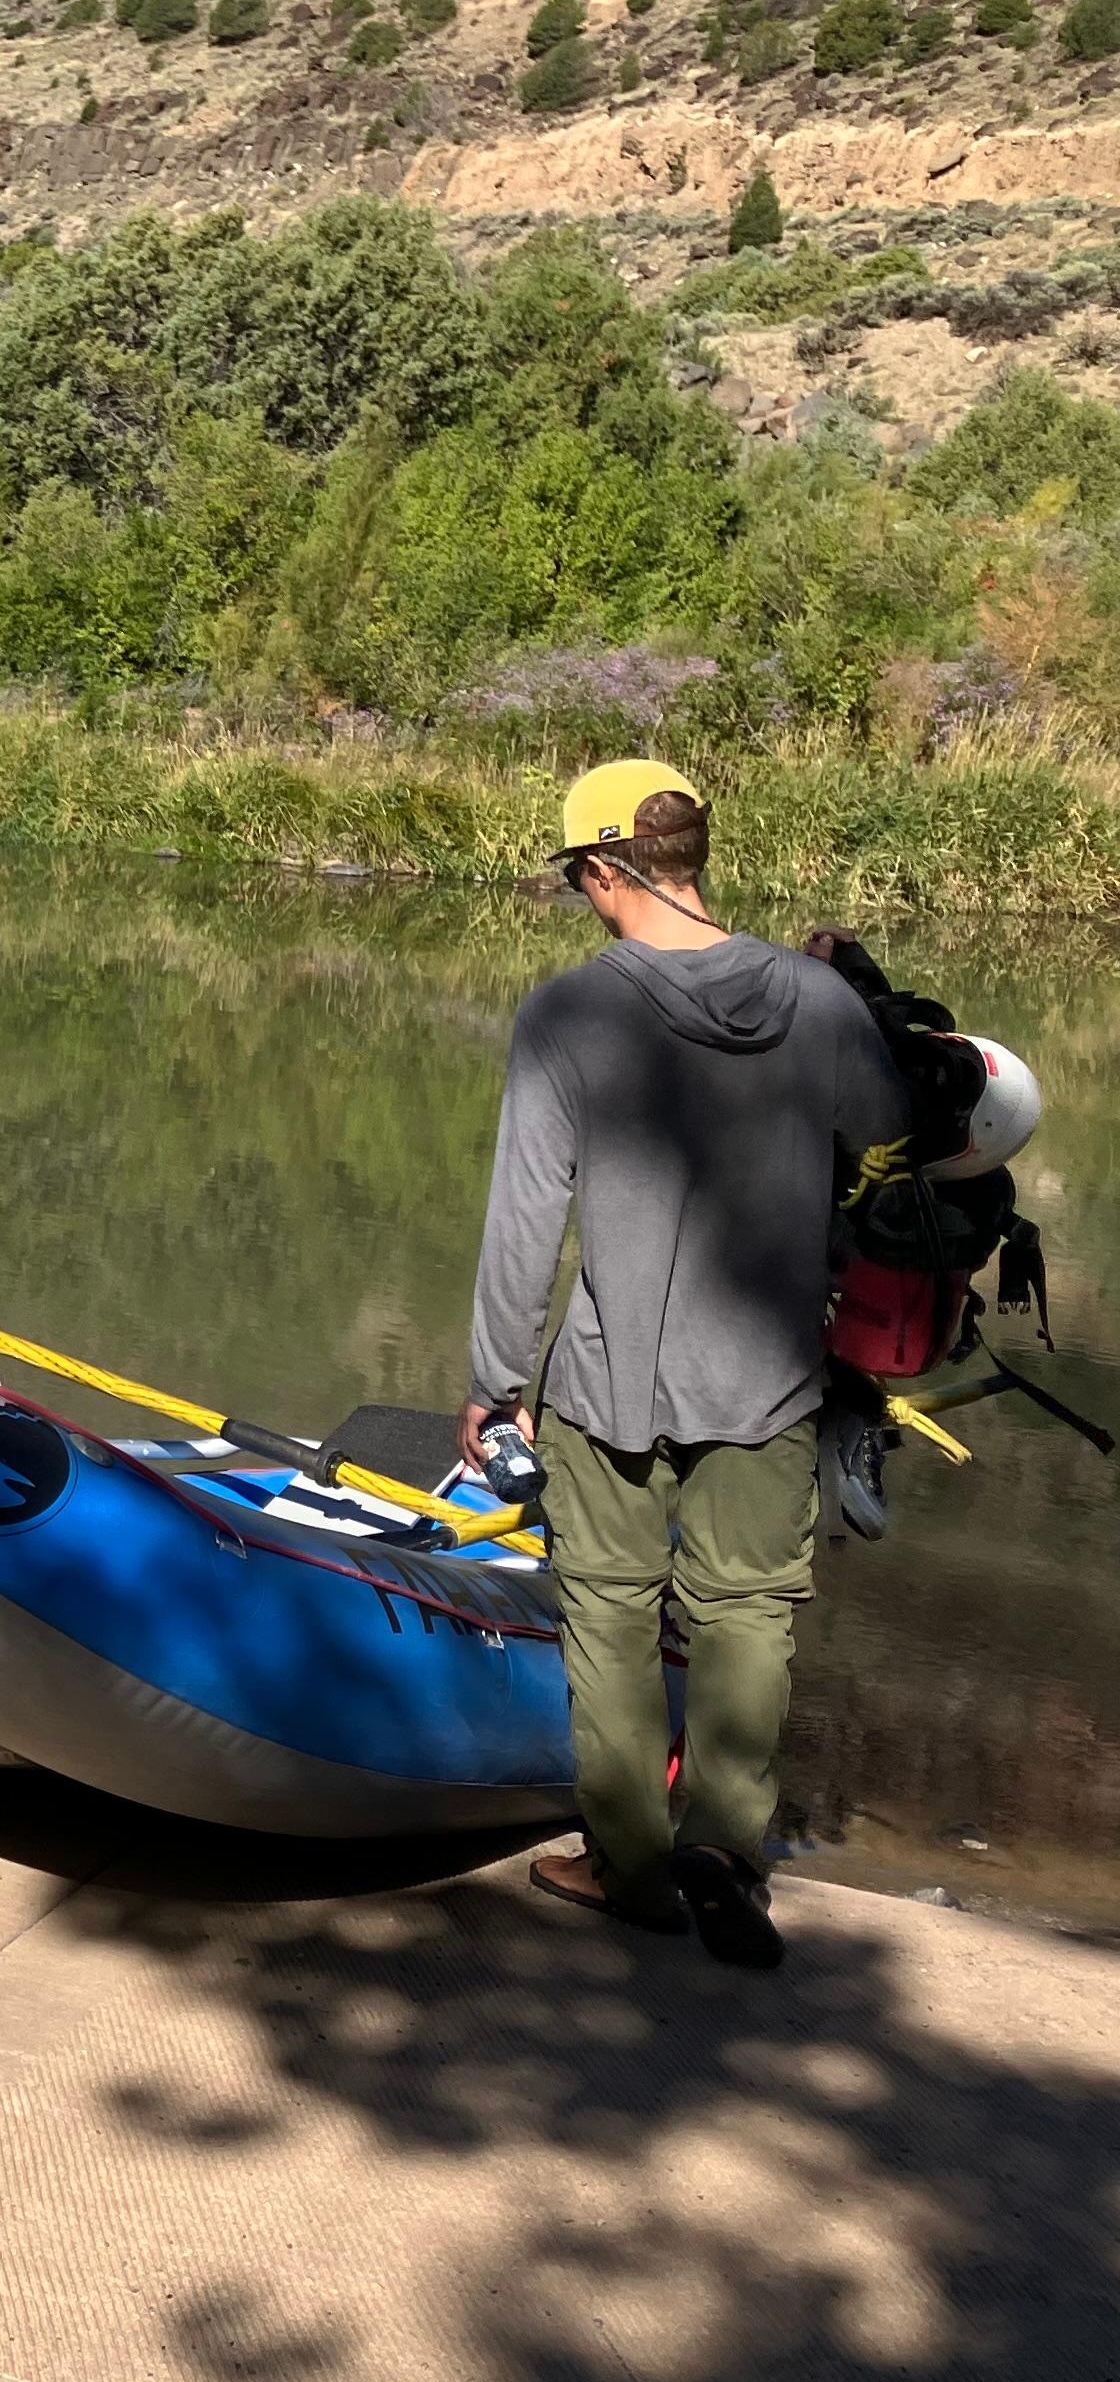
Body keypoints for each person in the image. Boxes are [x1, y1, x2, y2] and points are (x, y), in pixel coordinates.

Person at [458, 761, 906, 1970]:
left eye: (577, 878)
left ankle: (630, 1867)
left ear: (607, 869)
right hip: (770, 1378)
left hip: (610, 1385)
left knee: (607, 1618)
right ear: (691, 855)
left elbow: (524, 1222)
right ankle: (725, 1852)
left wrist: (494, 1382)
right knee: (750, 1614)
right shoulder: (819, 1004)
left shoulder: (569, 1014)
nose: (582, 899)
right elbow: (891, 1165)